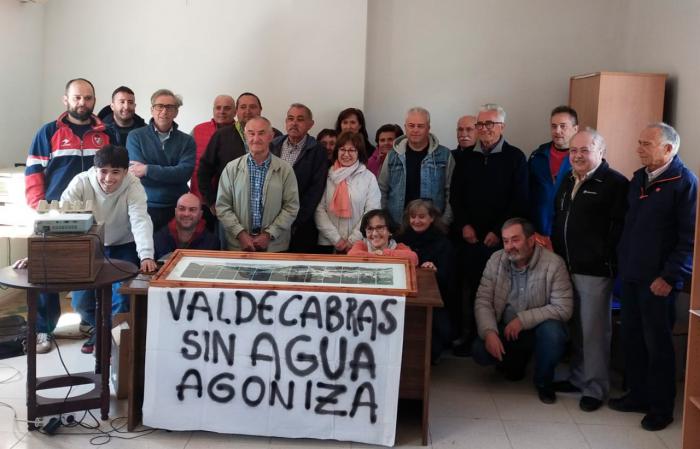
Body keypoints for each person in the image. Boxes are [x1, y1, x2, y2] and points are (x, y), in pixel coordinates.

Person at [610, 123, 697, 431]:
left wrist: (670, 277)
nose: (639, 148)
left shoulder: (685, 183)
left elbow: (689, 239)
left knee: (657, 344)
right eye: (639, 142)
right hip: (632, 275)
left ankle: (661, 408)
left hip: (658, 281)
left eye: (646, 144)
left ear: (668, 149)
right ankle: (638, 395)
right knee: (632, 338)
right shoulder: (639, 179)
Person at [24, 78, 113, 353]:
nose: (82, 103)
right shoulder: (48, 132)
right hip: (54, 214)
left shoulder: (107, 134)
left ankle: (88, 321)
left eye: (87, 98)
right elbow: (34, 172)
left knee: (92, 270)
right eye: (77, 98)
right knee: (47, 273)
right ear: (66, 100)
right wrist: (39, 207)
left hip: (94, 217)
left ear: (94, 101)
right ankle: (43, 330)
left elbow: (116, 173)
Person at [550, 128, 628, 412]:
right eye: (573, 151)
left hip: (595, 270)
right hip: (566, 266)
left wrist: (604, 255)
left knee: (594, 332)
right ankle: (579, 377)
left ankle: (595, 388)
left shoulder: (615, 183)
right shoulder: (569, 178)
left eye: (585, 150)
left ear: (600, 152)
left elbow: (620, 228)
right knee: (577, 329)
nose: (578, 156)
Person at [60, 145, 157, 353]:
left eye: (115, 172)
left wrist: (146, 254)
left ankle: (111, 341)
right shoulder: (80, 182)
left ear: (125, 172)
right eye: (103, 171)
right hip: (90, 246)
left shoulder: (134, 185)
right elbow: (63, 218)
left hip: (124, 245)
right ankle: (98, 330)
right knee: (81, 301)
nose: (108, 178)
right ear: (96, 170)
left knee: (121, 298)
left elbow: (140, 219)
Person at [450, 103, 529, 356]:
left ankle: (502, 341)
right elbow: (456, 196)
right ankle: (471, 336)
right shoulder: (466, 157)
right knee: (471, 289)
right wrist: (464, 224)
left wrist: (498, 230)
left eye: (490, 124)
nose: (484, 129)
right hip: (470, 238)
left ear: (502, 127)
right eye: (480, 124)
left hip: (501, 240)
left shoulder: (515, 157)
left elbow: (519, 199)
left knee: (500, 291)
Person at [472, 218, 573, 404]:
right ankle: (513, 363)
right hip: (506, 329)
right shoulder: (496, 259)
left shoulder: (554, 263)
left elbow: (563, 308)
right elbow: (483, 300)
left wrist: (522, 320)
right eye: (505, 241)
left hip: (537, 330)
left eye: (515, 240)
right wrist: (489, 332)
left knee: (553, 333)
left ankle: (544, 382)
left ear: (531, 240)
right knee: (479, 350)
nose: (509, 246)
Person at [216, 117, 299, 252]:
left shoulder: (285, 170)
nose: (256, 138)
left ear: (271, 136)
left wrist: (269, 234)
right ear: (244, 135)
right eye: (251, 133)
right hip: (239, 245)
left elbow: (291, 207)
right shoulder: (231, 168)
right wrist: (241, 234)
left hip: (274, 246)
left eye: (261, 133)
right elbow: (222, 206)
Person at [126, 89, 196, 232]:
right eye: (160, 106)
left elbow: (184, 174)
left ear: (176, 112)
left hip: (177, 208)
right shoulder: (135, 137)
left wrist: (147, 169)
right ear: (152, 110)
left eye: (170, 107)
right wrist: (171, 172)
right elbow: (136, 174)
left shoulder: (187, 141)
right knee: (148, 252)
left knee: (174, 252)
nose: (164, 111)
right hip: (145, 206)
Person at [396, 199, 456, 363]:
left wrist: (435, 271)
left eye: (422, 216)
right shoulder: (399, 240)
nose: (416, 221)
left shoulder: (444, 243)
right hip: (404, 301)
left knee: (434, 347)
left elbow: (449, 280)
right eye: (413, 216)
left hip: (433, 304)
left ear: (432, 218)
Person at [378, 107, 454, 226]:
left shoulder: (444, 155)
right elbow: (382, 189)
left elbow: (451, 192)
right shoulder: (392, 155)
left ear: (428, 128)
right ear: (405, 127)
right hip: (398, 225)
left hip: (433, 227)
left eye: (420, 126)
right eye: (411, 125)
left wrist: (444, 222)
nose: (415, 130)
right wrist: (385, 222)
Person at [270, 104, 328, 253]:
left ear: (310, 124)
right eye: (290, 118)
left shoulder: (317, 151)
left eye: (300, 119)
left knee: (298, 271)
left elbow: (316, 190)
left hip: (301, 225)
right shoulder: (273, 146)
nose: (294, 123)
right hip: (271, 223)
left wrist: (293, 221)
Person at [315, 132, 381, 254]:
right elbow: (319, 209)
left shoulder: (368, 177)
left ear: (359, 153)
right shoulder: (326, 175)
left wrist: (353, 240)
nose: (346, 154)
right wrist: (336, 239)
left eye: (352, 150)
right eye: (342, 149)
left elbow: (372, 211)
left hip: (359, 244)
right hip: (328, 243)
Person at [529, 106, 579, 238]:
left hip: (569, 232)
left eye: (563, 126)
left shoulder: (582, 159)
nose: (557, 131)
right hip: (538, 231)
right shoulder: (537, 156)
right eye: (554, 126)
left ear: (575, 129)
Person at [190, 95, 236, 201]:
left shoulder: (242, 133)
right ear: (213, 110)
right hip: (199, 198)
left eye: (227, 108)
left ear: (235, 112)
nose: (222, 111)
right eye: (218, 108)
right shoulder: (197, 130)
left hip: (230, 199)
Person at [154, 192, 220, 260]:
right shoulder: (158, 238)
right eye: (182, 208)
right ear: (175, 211)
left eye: (192, 210)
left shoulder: (212, 242)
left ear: (200, 214)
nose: (186, 214)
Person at [348, 209, 418, 266]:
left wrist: (383, 253)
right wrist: (375, 255)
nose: (374, 234)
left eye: (380, 228)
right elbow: (350, 257)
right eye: (370, 229)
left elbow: (413, 259)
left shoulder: (399, 246)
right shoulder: (361, 245)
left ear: (390, 231)